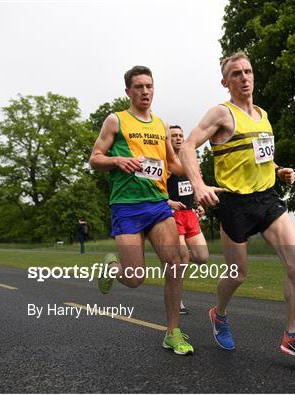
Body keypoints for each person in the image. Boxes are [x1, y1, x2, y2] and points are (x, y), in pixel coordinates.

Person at [179, 52, 295, 366]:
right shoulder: (221, 114)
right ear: (225, 82)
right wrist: (199, 185)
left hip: (267, 198)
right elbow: (187, 145)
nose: (244, 77)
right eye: (236, 74)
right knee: (238, 275)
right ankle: (219, 314)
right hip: (234, 204)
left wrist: (279, 169)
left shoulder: (262, 114)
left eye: (247, 71)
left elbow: (260, 157)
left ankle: (293, 337)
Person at [89, 65, 193, 355]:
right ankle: (110, 267)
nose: (145, 91)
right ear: (128, 91)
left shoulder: (160, 125)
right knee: (135, 279)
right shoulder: (116, 121)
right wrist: (116, 161)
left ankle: (173, 332)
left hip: (158, 205)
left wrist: (199, 178)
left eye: (149, 86)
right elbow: (95, 158)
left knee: (176, 263)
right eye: (139, 87)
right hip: (126, 206)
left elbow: (172, 165)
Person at [167, 125, 210, 315]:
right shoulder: (165, 162)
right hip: (172, 215)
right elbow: (152, 187)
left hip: (190, 214)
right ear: (168, 139)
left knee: (202, 257)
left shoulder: (191, 161)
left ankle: (172, 263)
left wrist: (198, 203)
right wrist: (168, 201)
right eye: (173, 135)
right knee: (182, 259)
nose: (177, 138)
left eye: (180, 135)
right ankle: (178, 301)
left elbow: (193, 186)